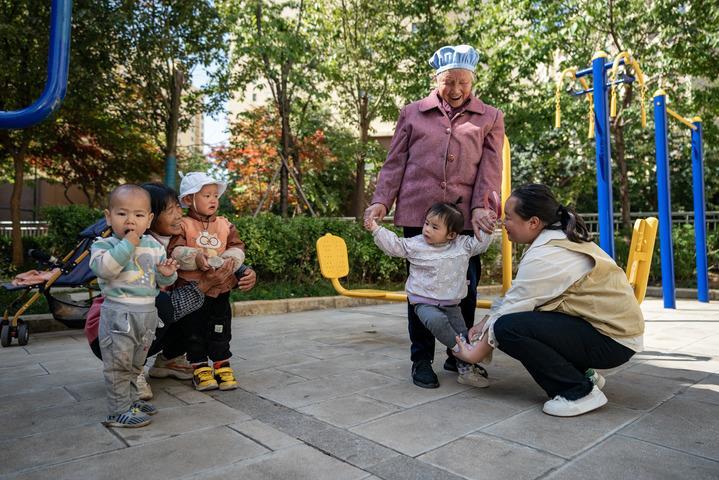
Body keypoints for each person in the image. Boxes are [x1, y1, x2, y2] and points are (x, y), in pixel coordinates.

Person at [364, 44, 504, 389]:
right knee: (422, 293)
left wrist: (481, 209)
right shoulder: (412, 113)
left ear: (473, 82)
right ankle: (421, 359)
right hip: (420, 216)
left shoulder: (490, 117)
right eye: (449, 82)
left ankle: (459, 356)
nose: (456, 91)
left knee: (464, 292)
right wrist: (382, 201)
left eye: (464, 83)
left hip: (463, 220)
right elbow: (395, 162)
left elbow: (490, 168)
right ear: (435, 79)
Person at [454, 184, 644, 417]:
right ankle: (583, 374)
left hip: (612, 340)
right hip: (612, 332)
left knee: (508, 329)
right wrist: (484, 322)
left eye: (509, 217)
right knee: (527, 318)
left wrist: (474, 354)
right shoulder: (557, 237)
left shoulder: (546, 255)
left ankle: (577, 391)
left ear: (533, 222)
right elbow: (520, 296)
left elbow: (510, 312)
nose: (503, 224)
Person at [85, 183, 257, 400]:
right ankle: (130, 371)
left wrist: (244, 271)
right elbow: (169, 302)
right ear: (152, 218)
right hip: (112, 326)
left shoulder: (165, 245)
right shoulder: (132, 245)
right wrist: (205, 285)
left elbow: (218, 256)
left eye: (179, 207)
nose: (179, 214)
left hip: (141, 321)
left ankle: (170, 358)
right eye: (171, 210)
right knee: (162, 303)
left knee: (200, 310)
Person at [366, 200, 494, 388]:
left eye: (435, 227)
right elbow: (394, 245)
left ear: (451, 234)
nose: (427, 229)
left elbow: (480, 244)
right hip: (423, 302)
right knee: (436, 321)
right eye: (426, 223)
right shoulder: (416, 244)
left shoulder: (462, 245)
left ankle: (466, 368)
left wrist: (489, 225)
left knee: (463, 332)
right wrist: (376, 229)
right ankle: (462, 350)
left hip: (452, 305)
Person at [90, 184, 178, 428]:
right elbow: (105, 269)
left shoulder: (154, 245)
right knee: (119, 364)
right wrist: (128, 242)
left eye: (138, 215)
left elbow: (162, 281)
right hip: (118, 315)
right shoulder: (104, 245)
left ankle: (131, 401)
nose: (130, 220)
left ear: (149, 219)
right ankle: (118, 411)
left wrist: (167, 274)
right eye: (122, 214)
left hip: (147, 315)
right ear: (109, 216)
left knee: (136, 363)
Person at [168, 172, 247, 392]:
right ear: (188, 200)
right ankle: (200, 366)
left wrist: (231, 259)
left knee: (221, 327)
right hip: (193, 289)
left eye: (215, 195)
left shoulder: (225, 224)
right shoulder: (182, 225)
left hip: (221, 287)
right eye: (206, 195)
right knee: (194, 329)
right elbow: (174, 250)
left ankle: (222, 362)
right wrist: (195, 258)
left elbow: (237, 246)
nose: (213, 200)